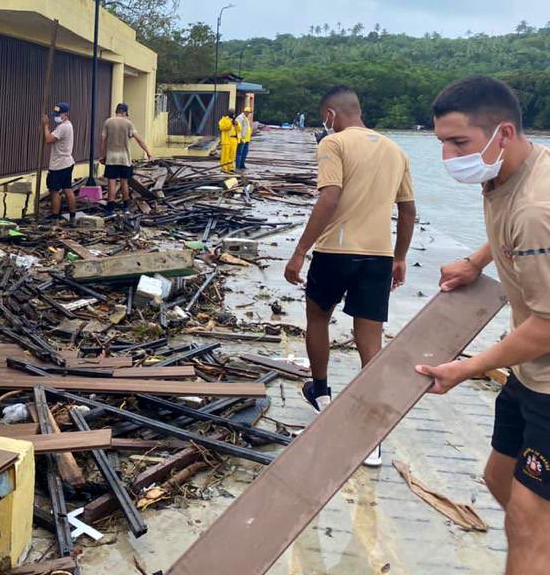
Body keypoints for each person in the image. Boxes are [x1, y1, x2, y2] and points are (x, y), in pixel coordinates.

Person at [417, 76, 550, 574]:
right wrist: (476, 261)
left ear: (504, 133)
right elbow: (509, 232)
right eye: (442, 143)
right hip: (530, 372)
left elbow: (547, 326)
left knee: (527, 525)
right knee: (500, 479)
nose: (449, 157)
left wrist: (467, 367)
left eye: (459, 143)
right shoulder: (505, 172)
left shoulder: (539, 206)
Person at [283, 85, 416, 467]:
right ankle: (371, 436)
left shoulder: (333, 144)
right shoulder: (396, 150)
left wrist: (299, 251)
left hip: (335, 252)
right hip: (378, 256)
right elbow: (408, 211)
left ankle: (321, 393)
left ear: (330, 114)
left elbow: (329, 197)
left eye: (323, 117)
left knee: (317, 318)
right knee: (370, 340)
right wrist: (400, 257)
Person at [100, 103, 153, 213]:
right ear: (125, 112)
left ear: (116, 111)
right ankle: (125, 207)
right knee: (124, 183)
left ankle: (110, 208)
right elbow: (139, 140)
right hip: (125, 159)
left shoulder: (108, 122)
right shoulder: (128, 124)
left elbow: (103, 141)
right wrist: (148, 153)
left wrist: (102, 155)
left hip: (111, 158)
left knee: (111, 183)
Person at [42, 102, 77, 223]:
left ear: (66, 114)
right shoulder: (67, 125)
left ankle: (55, 216)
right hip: (66, 162)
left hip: (59, 164)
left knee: (55, 190)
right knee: (67, 189)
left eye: (59, 114)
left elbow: (48, 139)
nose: (56, 117)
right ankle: (72, 216)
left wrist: (46, 126)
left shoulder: (63, 127)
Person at [218, 109, 238, 173]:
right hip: (226, 140)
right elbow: (222, 128)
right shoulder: (223, 120)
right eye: (231, 113)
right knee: (225, 155)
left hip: (234, 139)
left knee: (232, 155)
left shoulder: (235, 120)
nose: (233, 114)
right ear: (228, 113)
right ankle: (224, 168)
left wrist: (236, 124)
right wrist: (230, 123)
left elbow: (239, 129)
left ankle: (230, 167)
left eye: (233, 113)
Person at [235, 106, 254, 171]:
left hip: (247, 139)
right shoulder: (240, 118)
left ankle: (242, 165)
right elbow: (238, 128)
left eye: (249, 113)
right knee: (239, 153)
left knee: (244, 153)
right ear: (244, 111)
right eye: (247, 112)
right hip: (242, 138)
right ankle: (238, 166)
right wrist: (240, 137)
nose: (248, 114)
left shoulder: (246, 118)